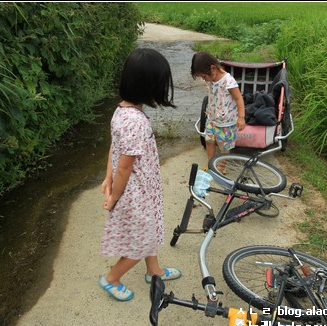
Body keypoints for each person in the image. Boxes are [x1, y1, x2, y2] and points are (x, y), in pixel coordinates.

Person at [99, 48, 181, 302]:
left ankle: (153, 270)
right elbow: (125, 166)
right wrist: (113, 195)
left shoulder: (121, 112)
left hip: (142, 187)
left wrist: (107, 176)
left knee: (151, 228)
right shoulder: (136, 121)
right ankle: (111, 278)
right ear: (149, 86)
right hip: (136, 192)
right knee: (141, 242)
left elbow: (115, 148)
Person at [191, 52, 246, 172]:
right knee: (209, 140)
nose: (204, 79)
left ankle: (221, 166)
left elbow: (238, 98)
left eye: (204, 76)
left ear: (213, 68)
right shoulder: (211, 79)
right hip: (212, 118)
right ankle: (211, 163)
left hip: (226, 121)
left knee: (224, 146)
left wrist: (241, 117)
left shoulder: (228, 81)